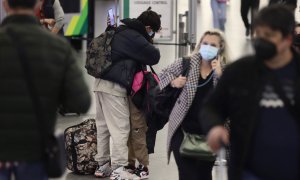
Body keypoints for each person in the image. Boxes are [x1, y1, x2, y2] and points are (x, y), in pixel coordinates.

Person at [201, 5, 300, 180]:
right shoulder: (239, 72)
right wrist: (215, 127)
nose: (261, 40)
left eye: (269, 36)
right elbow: (211, 107)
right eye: (258, 34)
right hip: (248, 172)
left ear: (287, 39)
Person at [0, 0, 91, 179]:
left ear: (4, 4)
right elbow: (80, 102)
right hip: (35, 153)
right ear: (37, 5)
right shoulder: (58, 48)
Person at [93, 8, 161, 180]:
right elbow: (154, 56)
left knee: (103, 127)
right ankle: (118, 168)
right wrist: (148, 40)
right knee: (120, 129)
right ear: (148, 28)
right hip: (114, 87)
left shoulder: (120, 30)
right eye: (153, 31)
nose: (152, 34)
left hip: (99, 82)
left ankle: (102, 165)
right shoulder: (135, 36)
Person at [159, 29, 228, 180]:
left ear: (220, 48)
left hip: (209, 135)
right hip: (182, 131)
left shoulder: (224, 70)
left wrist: (221, 76)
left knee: (204, 175)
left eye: (213, 45)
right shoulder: (186, 63)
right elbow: (163, 75)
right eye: (205, 43)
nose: (208, 47)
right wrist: (174, 82)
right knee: (186, 174)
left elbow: (232, 98)